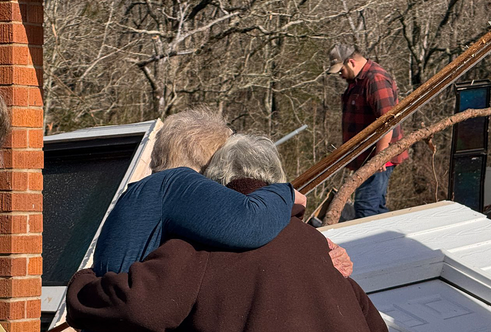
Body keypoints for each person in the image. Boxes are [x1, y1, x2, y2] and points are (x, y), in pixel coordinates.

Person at [67, 134, 387, 332]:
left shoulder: (195, 250)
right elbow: (374, 324)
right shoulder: (318, 245)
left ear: (211, 183)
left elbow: (135, 306)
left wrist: (85, 282)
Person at [92, 108, 306, 276]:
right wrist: (284, 194)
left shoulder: (144, 192)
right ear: (207, 163)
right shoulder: (176, 185)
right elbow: (251, 223)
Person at [328, 44, 408, 219]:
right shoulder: (356, 82)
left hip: (377, 158)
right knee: (376, 208)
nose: (340, 75)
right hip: (366, 157)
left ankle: (372, 245)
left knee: (366, 209)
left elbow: (389, 120)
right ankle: (390, 243)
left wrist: (380, 157)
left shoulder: (375, 79)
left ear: (351, 62)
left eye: (341, 69)